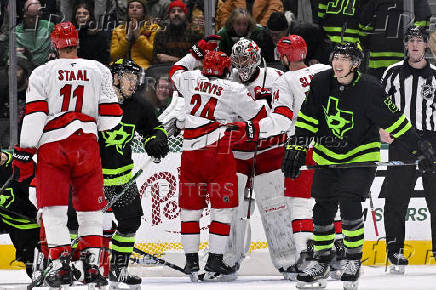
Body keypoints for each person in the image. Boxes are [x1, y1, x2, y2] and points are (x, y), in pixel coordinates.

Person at [281, 42, 436, 289]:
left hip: (360, 155)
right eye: (335, 57)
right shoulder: (321, 81)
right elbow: (309, 117)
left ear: (355, 63)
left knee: (350, 203)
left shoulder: (371, 88)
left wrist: (421, 148)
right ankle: (322, 260)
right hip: (326, 154)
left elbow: (396, 122)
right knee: (322, 207)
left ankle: (353, 260)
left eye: (344, 58)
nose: (338, 63)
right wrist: (297, 146)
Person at [12, 22, 122, 287]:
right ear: (77, 43)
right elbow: (111, 119)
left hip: (53, 146)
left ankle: (61, 266)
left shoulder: (42, 72)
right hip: (87, 144)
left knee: (53, 209)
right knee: (90, 210)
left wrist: (26, 150)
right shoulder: (98, 69)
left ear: (54, 44)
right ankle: (93, 266)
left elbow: (36, 114)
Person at [169, 35, 267, 281]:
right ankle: (215, 260)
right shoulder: (233, 88)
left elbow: (176, 69)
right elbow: (260, 115)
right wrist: (244, 129)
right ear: (226, 69)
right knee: (222, 211)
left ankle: (191, 262)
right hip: (219, 151)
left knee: (189, 211)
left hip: (190, 152)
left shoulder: (191, 79)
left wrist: (197, 50)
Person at [223, 37, 290, 279]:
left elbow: (284, 112)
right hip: (237, 151)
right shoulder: (226, 80)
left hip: (269, 149)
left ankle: (287, 260)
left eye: (246, 59)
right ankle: (227, 260)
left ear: (257, 57)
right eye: (237, 59)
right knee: (231, 207)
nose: (241, 64)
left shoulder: (275, 78)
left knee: (274, 206)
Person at [100, 58, 168, 288]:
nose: (134, 83)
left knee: (130, 223)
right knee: (77, 223)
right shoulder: (96, 103)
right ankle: (76, 269)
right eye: (129, 78)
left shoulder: (139, 106)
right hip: (92, 179)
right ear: (115, 78)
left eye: (136, 79)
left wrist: (155, 139)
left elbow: (153, 128)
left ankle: (118, 270)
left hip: (122, 179)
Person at [381, 25, 436, 274]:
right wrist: (382, 129)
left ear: (426, 44)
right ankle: (395, 249)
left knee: (435, 197)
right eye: (410, 41)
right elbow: (376, 105)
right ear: (405, 45)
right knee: (396, 198)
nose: (414, 45)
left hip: (432, 141)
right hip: (402, 140)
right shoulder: (392, 73)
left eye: (419, 41)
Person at [359, 0, 431, 79]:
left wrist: (367, 45)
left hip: (377, 58)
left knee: (376, 88)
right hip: (403, 57)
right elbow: (423, 21)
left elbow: (363, 25)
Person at [0, 149, 40, 279]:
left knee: (42, 263)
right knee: (29, 264)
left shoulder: (19, 166)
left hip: (36, 224)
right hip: (15, 227)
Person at [110, 0, 160, 69]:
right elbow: (114, 56)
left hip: (144, 67)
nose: (134, 9)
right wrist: (127, 37)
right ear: (127, 12)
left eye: (139, 7)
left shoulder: (153, 28)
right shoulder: (118, 30)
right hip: (122, 66)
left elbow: (153, 55)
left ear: (144, 12)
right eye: (131, 7)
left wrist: (138, 37)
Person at [15, 0, 55, 66]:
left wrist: (53, 52)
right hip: (25, 69)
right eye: (30, 16)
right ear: (24, 13)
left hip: (46, 67)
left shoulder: (49, 26)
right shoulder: (16, 32)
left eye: (35, 17)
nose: (32, 20)